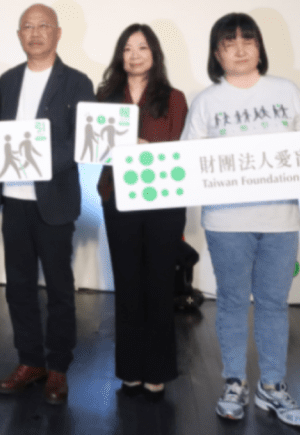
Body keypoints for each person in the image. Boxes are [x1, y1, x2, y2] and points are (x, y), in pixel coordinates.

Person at [180, 13, 300, 428]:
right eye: (229, 43)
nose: (240, 50)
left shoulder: (286, 91)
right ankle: (234, 383)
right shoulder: (207, 101)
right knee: (233, 302)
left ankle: (272, 386)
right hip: (226, 220)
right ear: (216, 54)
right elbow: (187, 159)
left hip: (281, 217)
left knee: (274, 303)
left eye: (248, 40)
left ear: (259, 47)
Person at [0, 3, 94, 405]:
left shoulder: (77, 82)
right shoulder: (7, 81)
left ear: (57, 33)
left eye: (43, 26)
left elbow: (82, 140)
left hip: (54, 200)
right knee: (18, 287)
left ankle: (57, 367)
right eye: (27, 27)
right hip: (14, 199)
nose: (35, 33)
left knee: (59, 289)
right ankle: (29, 361)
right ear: (19, 35)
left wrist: (39, 162)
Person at [95, 24, 188, 401]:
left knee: (159, 285)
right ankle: (130, 370)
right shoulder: (104, 98)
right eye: (127, 49)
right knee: (128, 284)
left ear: (155, 54)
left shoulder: (174, 98)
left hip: (161, 200)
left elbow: (178, 149)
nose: (134, 55)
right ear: (120, 55)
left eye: (142, 48)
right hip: (117, 196)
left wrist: (144, 147)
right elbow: (93, 146)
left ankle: (158, 371)